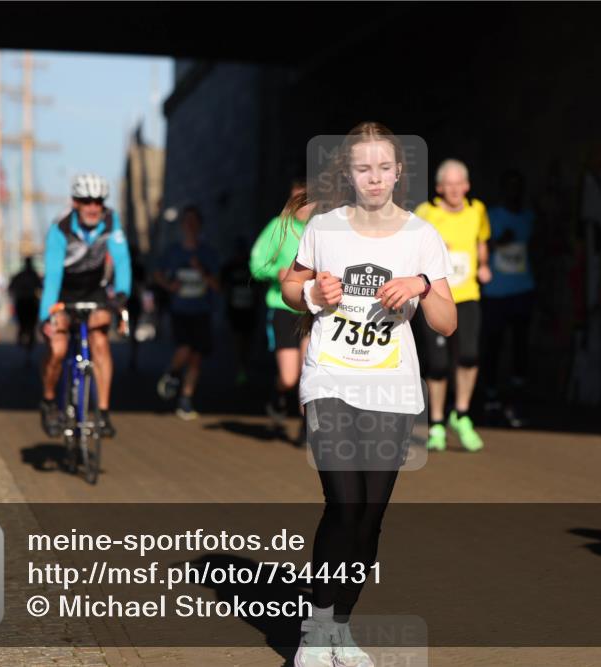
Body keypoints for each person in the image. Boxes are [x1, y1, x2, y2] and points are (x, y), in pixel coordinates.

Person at [280, 122, 456, 666]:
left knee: (369, 518)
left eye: (383, 167)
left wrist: (420, 284)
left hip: (391, 389)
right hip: (330, 380)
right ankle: (314, 633)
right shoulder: (324, 228)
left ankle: (340, 628)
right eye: (363, 168)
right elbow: (289, 288)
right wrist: (313, 292)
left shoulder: (422, 236)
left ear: (399, 171)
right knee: (344, 502)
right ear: (349, 173)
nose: (374, 177)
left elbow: (447, 323)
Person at [38, 173, 131, 439]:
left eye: (98, 201)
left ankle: (103, 412)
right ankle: (48, 401)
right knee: (57, 349)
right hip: (64, 290)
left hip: (94, 289)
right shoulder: (61, 228)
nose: (93, 207)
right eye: (86, 201)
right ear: (75, 202)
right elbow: (52, 277)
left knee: (100, 342)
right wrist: (46, 316)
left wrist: (121, 294)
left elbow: (122, 261)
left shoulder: (111, 221)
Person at [413, 160, 491, 451]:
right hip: (435, 297)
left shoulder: (477, 211)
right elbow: (409, 245)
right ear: (439, 188)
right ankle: (436, 423)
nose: (455, 190)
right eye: (449, 184)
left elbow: (481, 240)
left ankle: (461, 413)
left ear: (467, 186)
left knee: (469, 354)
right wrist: (433, 249)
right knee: (438, 363)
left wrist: (484, 264)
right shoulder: (426, 213)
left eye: (460, 184)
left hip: (467, 294)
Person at [249, 179, 314, 443]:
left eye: (306, 200)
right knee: (289, 377)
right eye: (296, 200)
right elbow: (256, 263)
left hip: (311, 308)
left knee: (310, 371)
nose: (301, 206)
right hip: (283, 307)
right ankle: (277, 397)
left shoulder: (321, 230)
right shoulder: (278, 226)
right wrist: (276, 272)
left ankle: (307, 429)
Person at [154, 206, 219, 420]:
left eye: (194, 220)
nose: (190, 225)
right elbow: (157, 274)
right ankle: (172, 372)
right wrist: (169, 285)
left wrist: (201, 270)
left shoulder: (207, 253)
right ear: (182, 225)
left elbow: (217, 285)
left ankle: (185, 400)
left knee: (196, 358)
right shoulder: (173, 251)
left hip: (202, 310)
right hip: (180, 309)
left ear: (199, 225)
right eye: (187, 220)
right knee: (184, 348)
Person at [482, 170, 536, 428]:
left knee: (520, 346)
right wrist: (497, 242)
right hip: (496, 292)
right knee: (493, 344)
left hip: (522, 290)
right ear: (502, 190)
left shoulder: (528, 218)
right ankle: (491, 397)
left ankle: (516, 400)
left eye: (518, 186)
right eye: (510, 186)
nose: (514, 191)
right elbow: (478, 248)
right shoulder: (491, 216)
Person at [220, 236, 256, 386]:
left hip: (250, 309)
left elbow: (259, 285)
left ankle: (244, 364)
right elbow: (221, 285)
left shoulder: (252, 266)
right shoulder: (230, 267)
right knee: (238, 338)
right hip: (234, 309)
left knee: (247, 339)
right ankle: (240, 365)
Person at [8, 256, 42, 362]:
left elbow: (11, 288)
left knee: (26, 325)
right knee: (28, 326)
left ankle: (26, 345)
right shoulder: (33, 275)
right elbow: (41, 287)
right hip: (28, 302)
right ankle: (27, 345)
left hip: (25, 302)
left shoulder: (21, 275)